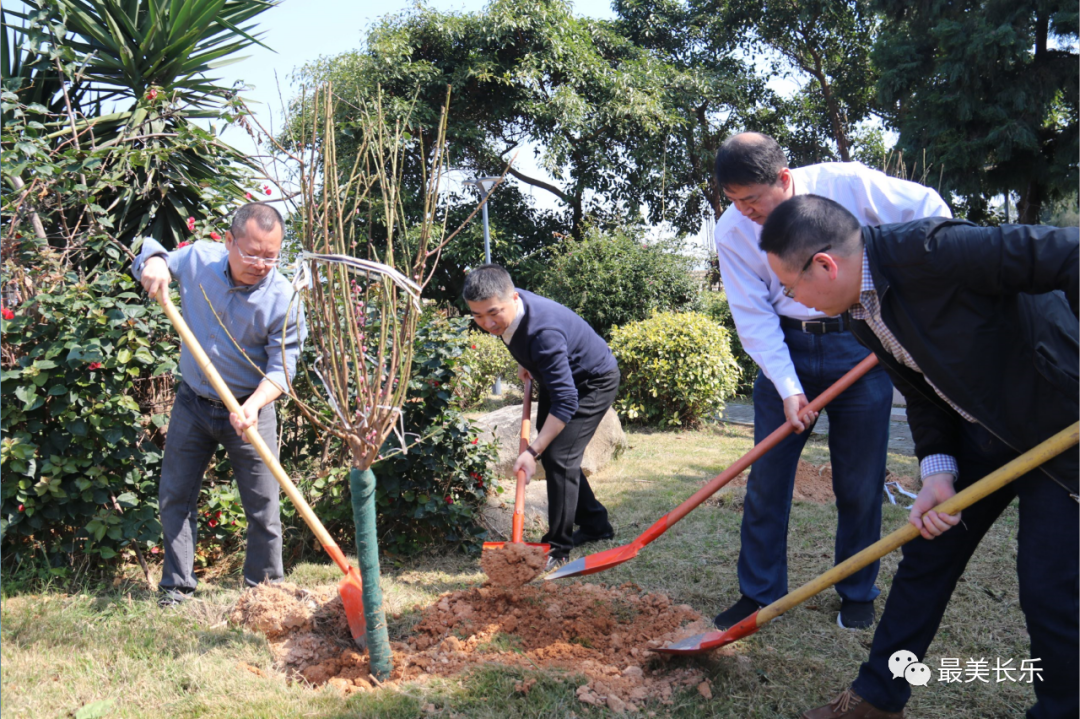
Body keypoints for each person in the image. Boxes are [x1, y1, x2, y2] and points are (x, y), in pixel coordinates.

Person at [758, 194, 1079, 719]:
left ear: (825, 264)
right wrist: (938, 471)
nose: (792, 301)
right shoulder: (861, 312)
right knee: (927, 554)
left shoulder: (933, 251)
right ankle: (878, 700)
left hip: (1061, 429)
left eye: (791, 288)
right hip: (986, 431)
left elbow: (1068, 252)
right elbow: (927, 392)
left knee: (1051, 589)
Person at [711, 132, 952, 631]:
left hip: (860, 341)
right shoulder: (732, 231)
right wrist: (788, 387)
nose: (745, 211)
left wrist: (917, 291)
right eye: (734, 201)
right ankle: (759, 594)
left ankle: (857, 590)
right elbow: (752, 315)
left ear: (782, 178)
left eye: (752, 199)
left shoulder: (847, 183)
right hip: (786, 347)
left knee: (860, 482)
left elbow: (929, 208)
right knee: (767, 481)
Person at [133, 203, 306, 606]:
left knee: (264, 507)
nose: (262, 264)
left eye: (271, 256)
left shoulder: (284, 300)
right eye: (251, 253)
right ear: (228, 241)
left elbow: (281, 371)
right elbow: (153, 251)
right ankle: (177, 588)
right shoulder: (199, 260)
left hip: (249, 410)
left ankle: (264, 597)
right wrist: (156, 262)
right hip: (193, 402)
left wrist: (255, 405)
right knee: (175, 495)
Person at [463, 264, 619, 570]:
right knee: (557, 455)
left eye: (493, 312)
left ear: (514, 297)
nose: (487, 322)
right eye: (477, 316)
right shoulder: (511, 312)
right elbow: (520, 338)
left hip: (592, 381)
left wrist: (532, 451)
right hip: (558, 376)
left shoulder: (543, 332)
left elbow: (566, 400)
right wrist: (529, 363)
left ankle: (558, 547)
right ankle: (596, 524)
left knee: (559, 456)